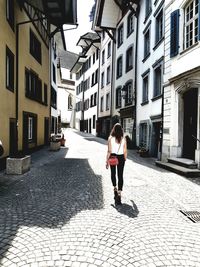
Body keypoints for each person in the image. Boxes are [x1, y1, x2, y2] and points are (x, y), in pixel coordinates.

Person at [106, 123, 127, 205]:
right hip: (121, 157)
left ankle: (115, 188)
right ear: (121, 130)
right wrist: (125, 158)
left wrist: (106, 160)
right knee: (120, 175)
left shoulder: (110, 138)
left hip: (112, 156)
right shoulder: (123, 139)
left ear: (113, 129)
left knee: (113, 173)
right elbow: (125, 151)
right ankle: (119, 193)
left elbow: (109, 151)